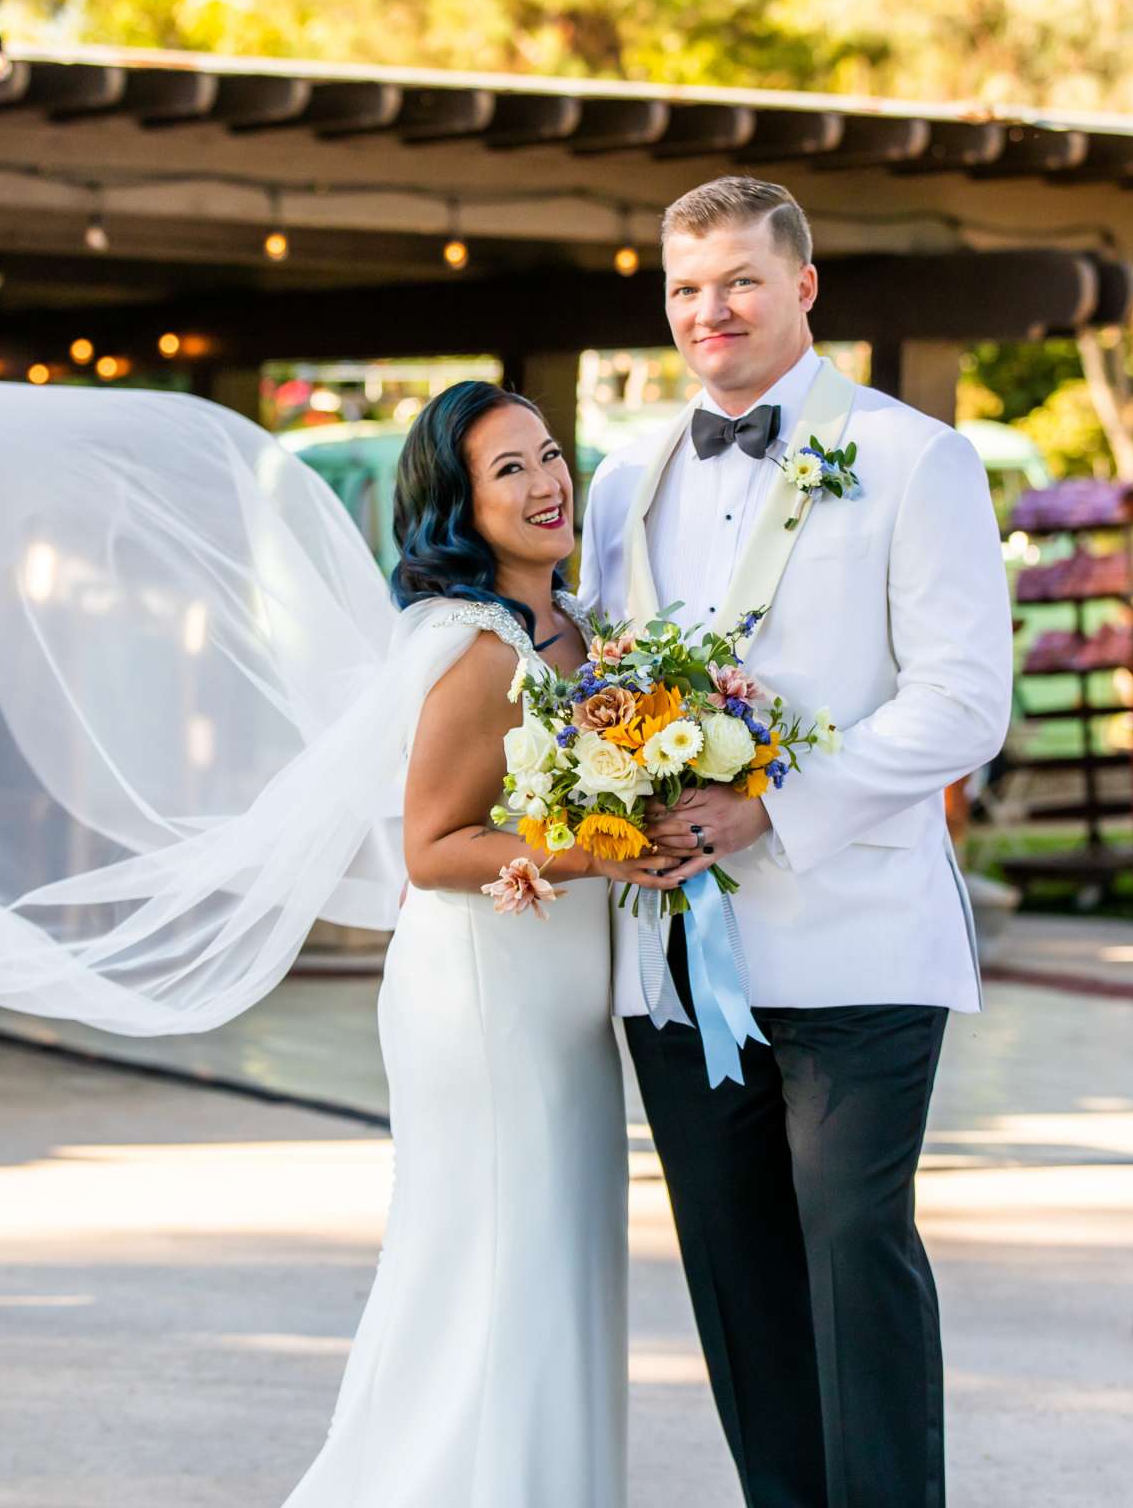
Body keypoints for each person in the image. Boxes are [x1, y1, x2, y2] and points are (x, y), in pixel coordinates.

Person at [578, 175, 1013, 1507]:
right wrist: (613, 806)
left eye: (741, 281)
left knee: (853, 1246)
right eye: (687, 288)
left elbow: (964, 701)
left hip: (857, 942)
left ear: (804, 288)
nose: (713, 310)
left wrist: (772, 805)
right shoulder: (619, 477)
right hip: (677, 957)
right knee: (735, 1271)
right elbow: (605, 682)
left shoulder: (913, 457)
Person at [281, 380, 679, 1506]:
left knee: (553, 1266)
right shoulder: (478, 646)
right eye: (509, 470)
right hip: (484, 999)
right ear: (460, 504)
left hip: (557, 998)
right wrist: (599, 849)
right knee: (495, 1265)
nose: (547, 482)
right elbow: (432, 845)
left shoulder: (580, 627)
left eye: (549, 455)